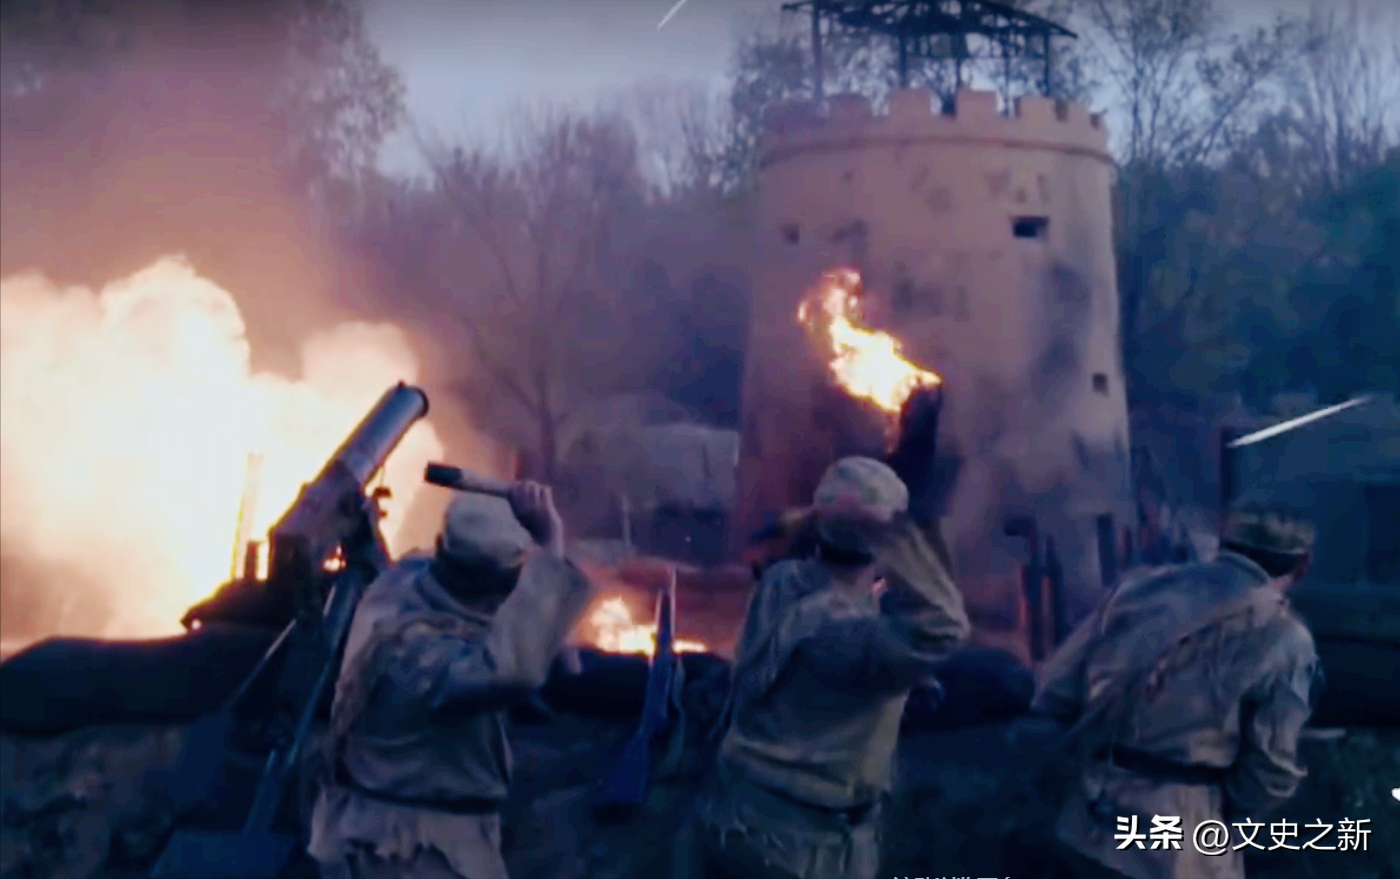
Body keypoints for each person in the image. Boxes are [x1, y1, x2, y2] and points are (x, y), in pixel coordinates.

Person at [678, 456, 971, 879]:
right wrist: (896, 538)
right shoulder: (848, 635)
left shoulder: (782, 584)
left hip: (734, 817)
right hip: (802, 852)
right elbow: (945, 628)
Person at [308, 481, 595, 879]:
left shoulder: (399, 585)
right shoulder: (421, 654)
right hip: (413, 850)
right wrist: (549, 542)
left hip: (389, 831)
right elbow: (514, 672)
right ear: (504, 585)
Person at [1030, 503, 1321, 879]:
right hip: (1179, 850)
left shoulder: (1136, 590)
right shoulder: (1286, 637)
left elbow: (1055, 690)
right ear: (1303, 564)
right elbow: (1270, 773)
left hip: (1089, 823)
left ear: (1223, 544)